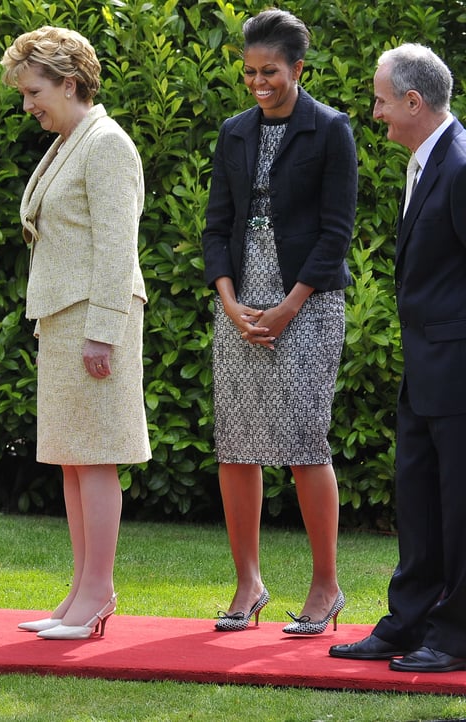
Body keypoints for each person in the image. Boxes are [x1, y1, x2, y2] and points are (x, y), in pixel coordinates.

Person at [200, 9, 356, 634]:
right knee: (236, 447)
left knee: (303, 444)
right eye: (249, 73)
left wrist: (289, 305)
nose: (259, 83)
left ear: (298, 68)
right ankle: (248, 584)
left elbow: (335, 233)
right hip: (238, 306)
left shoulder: (331, 130)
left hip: (309, 305)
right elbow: (215, 227)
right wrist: (230, 301)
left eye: (271, 72)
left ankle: (326, 587)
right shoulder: (234, 132)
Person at [0, 26, 151, 641]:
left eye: (35, 91)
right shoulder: (72, 141)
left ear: (70, 83)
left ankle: (97, 595)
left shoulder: (107, 144)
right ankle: (80, 593)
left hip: (95, 321)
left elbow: (119, 248)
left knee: (94, 460)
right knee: (71, 460)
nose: (29, 104)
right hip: (65, 320)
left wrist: (103, 333)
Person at [329, 44, 466, 673]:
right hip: (425, 370)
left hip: (457, 371)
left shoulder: (460, 165)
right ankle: (409, 621)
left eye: (382, 101)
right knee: (418, 501)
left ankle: (455, 633)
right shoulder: (426, 162)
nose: (375, 112)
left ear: (414, 101)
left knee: (459, 507)